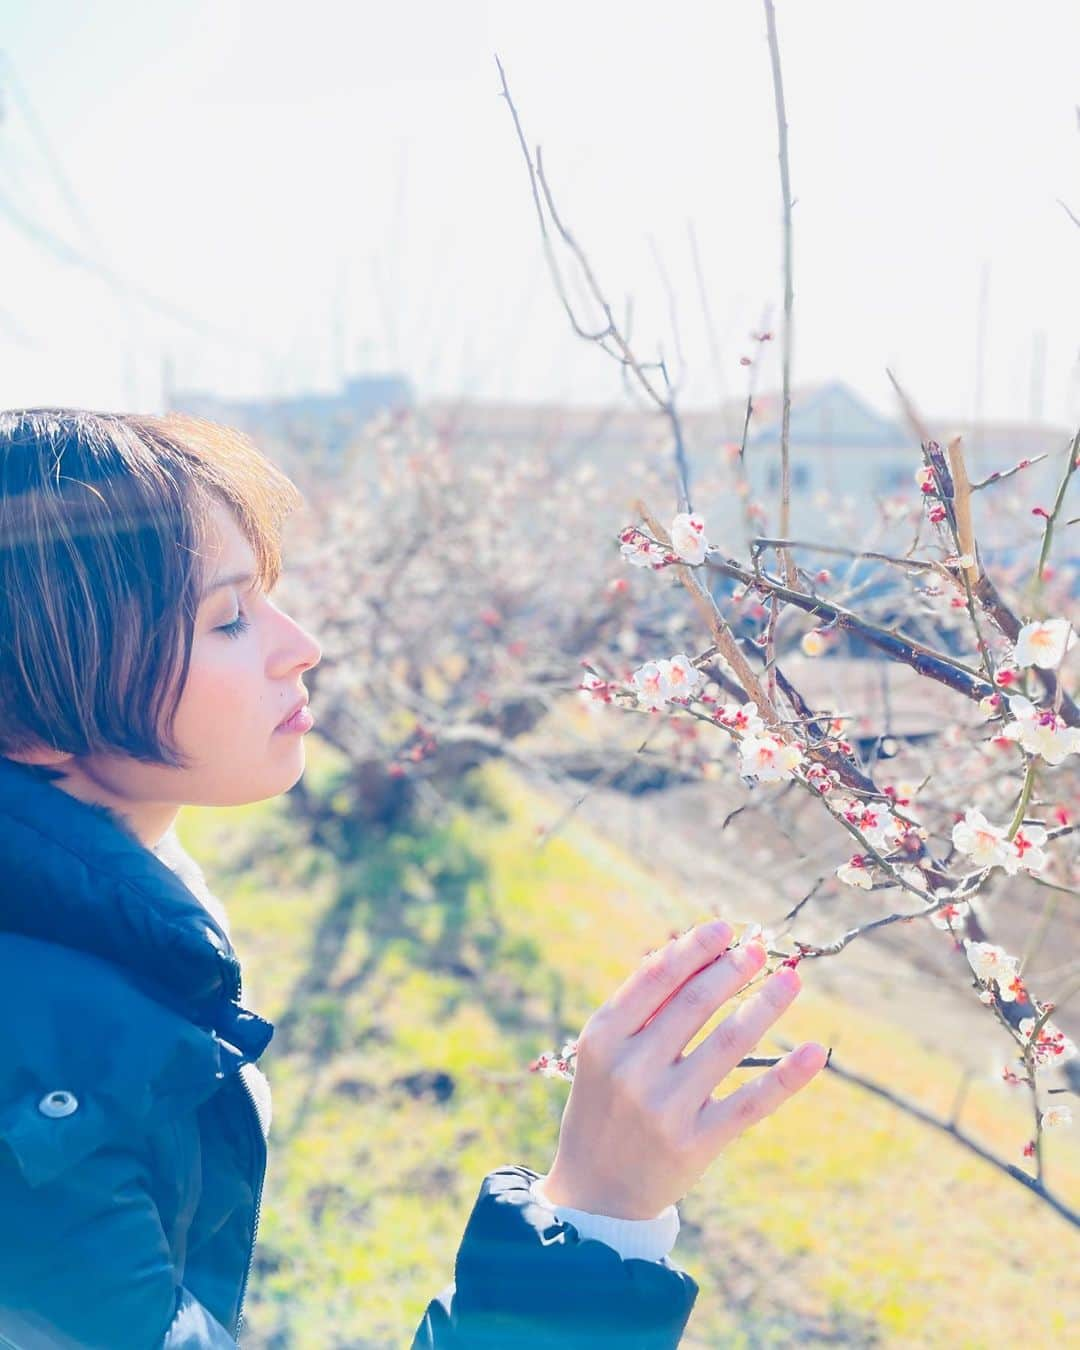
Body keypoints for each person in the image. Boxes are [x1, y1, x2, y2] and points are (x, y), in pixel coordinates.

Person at [0, 408, 827, 1348]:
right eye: (228, 618)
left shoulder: (121, 932)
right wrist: (597, 1216)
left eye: (267, 596)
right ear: (32, 706)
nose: (299, 643)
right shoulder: (39, 1097)